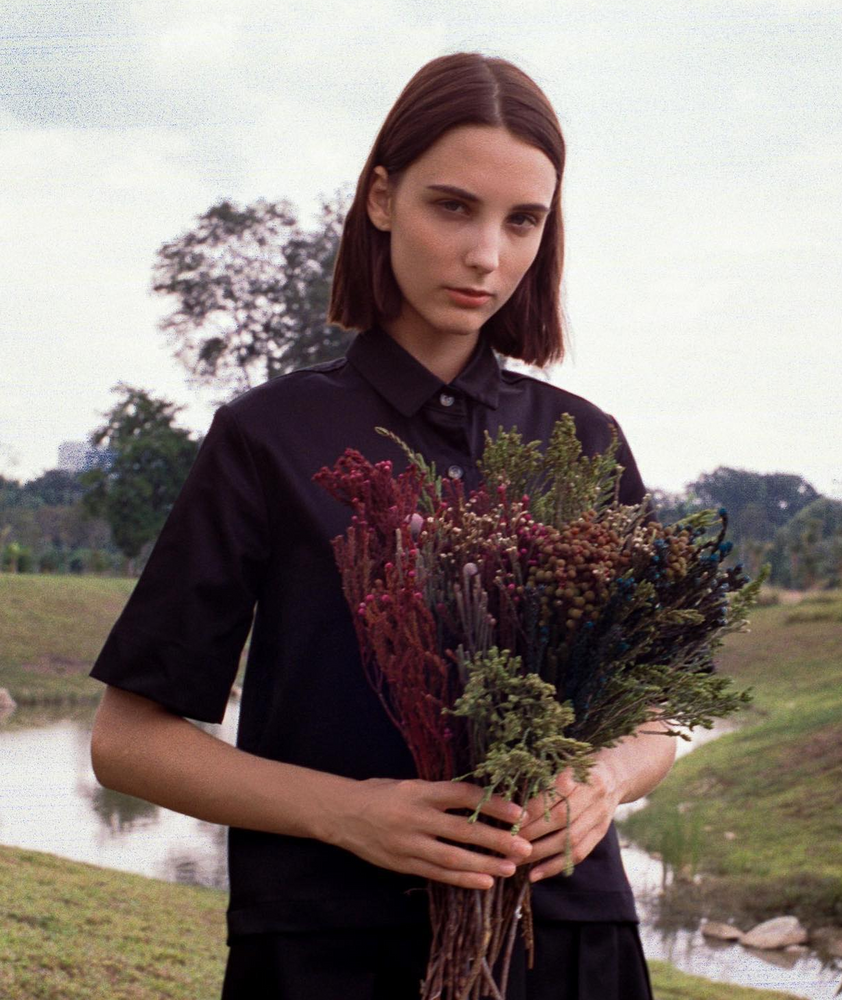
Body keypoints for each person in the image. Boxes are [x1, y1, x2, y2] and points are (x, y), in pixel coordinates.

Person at [89, 51, 679, 999]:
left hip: (570, 943)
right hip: (333, 947)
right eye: (453, 207)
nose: (488, 254)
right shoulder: (266, 437)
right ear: (380, 198)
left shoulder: (586, 441)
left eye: (523, 220)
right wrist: (347, 812)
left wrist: (604, 782)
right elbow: (127, 739)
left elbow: (650, 718)